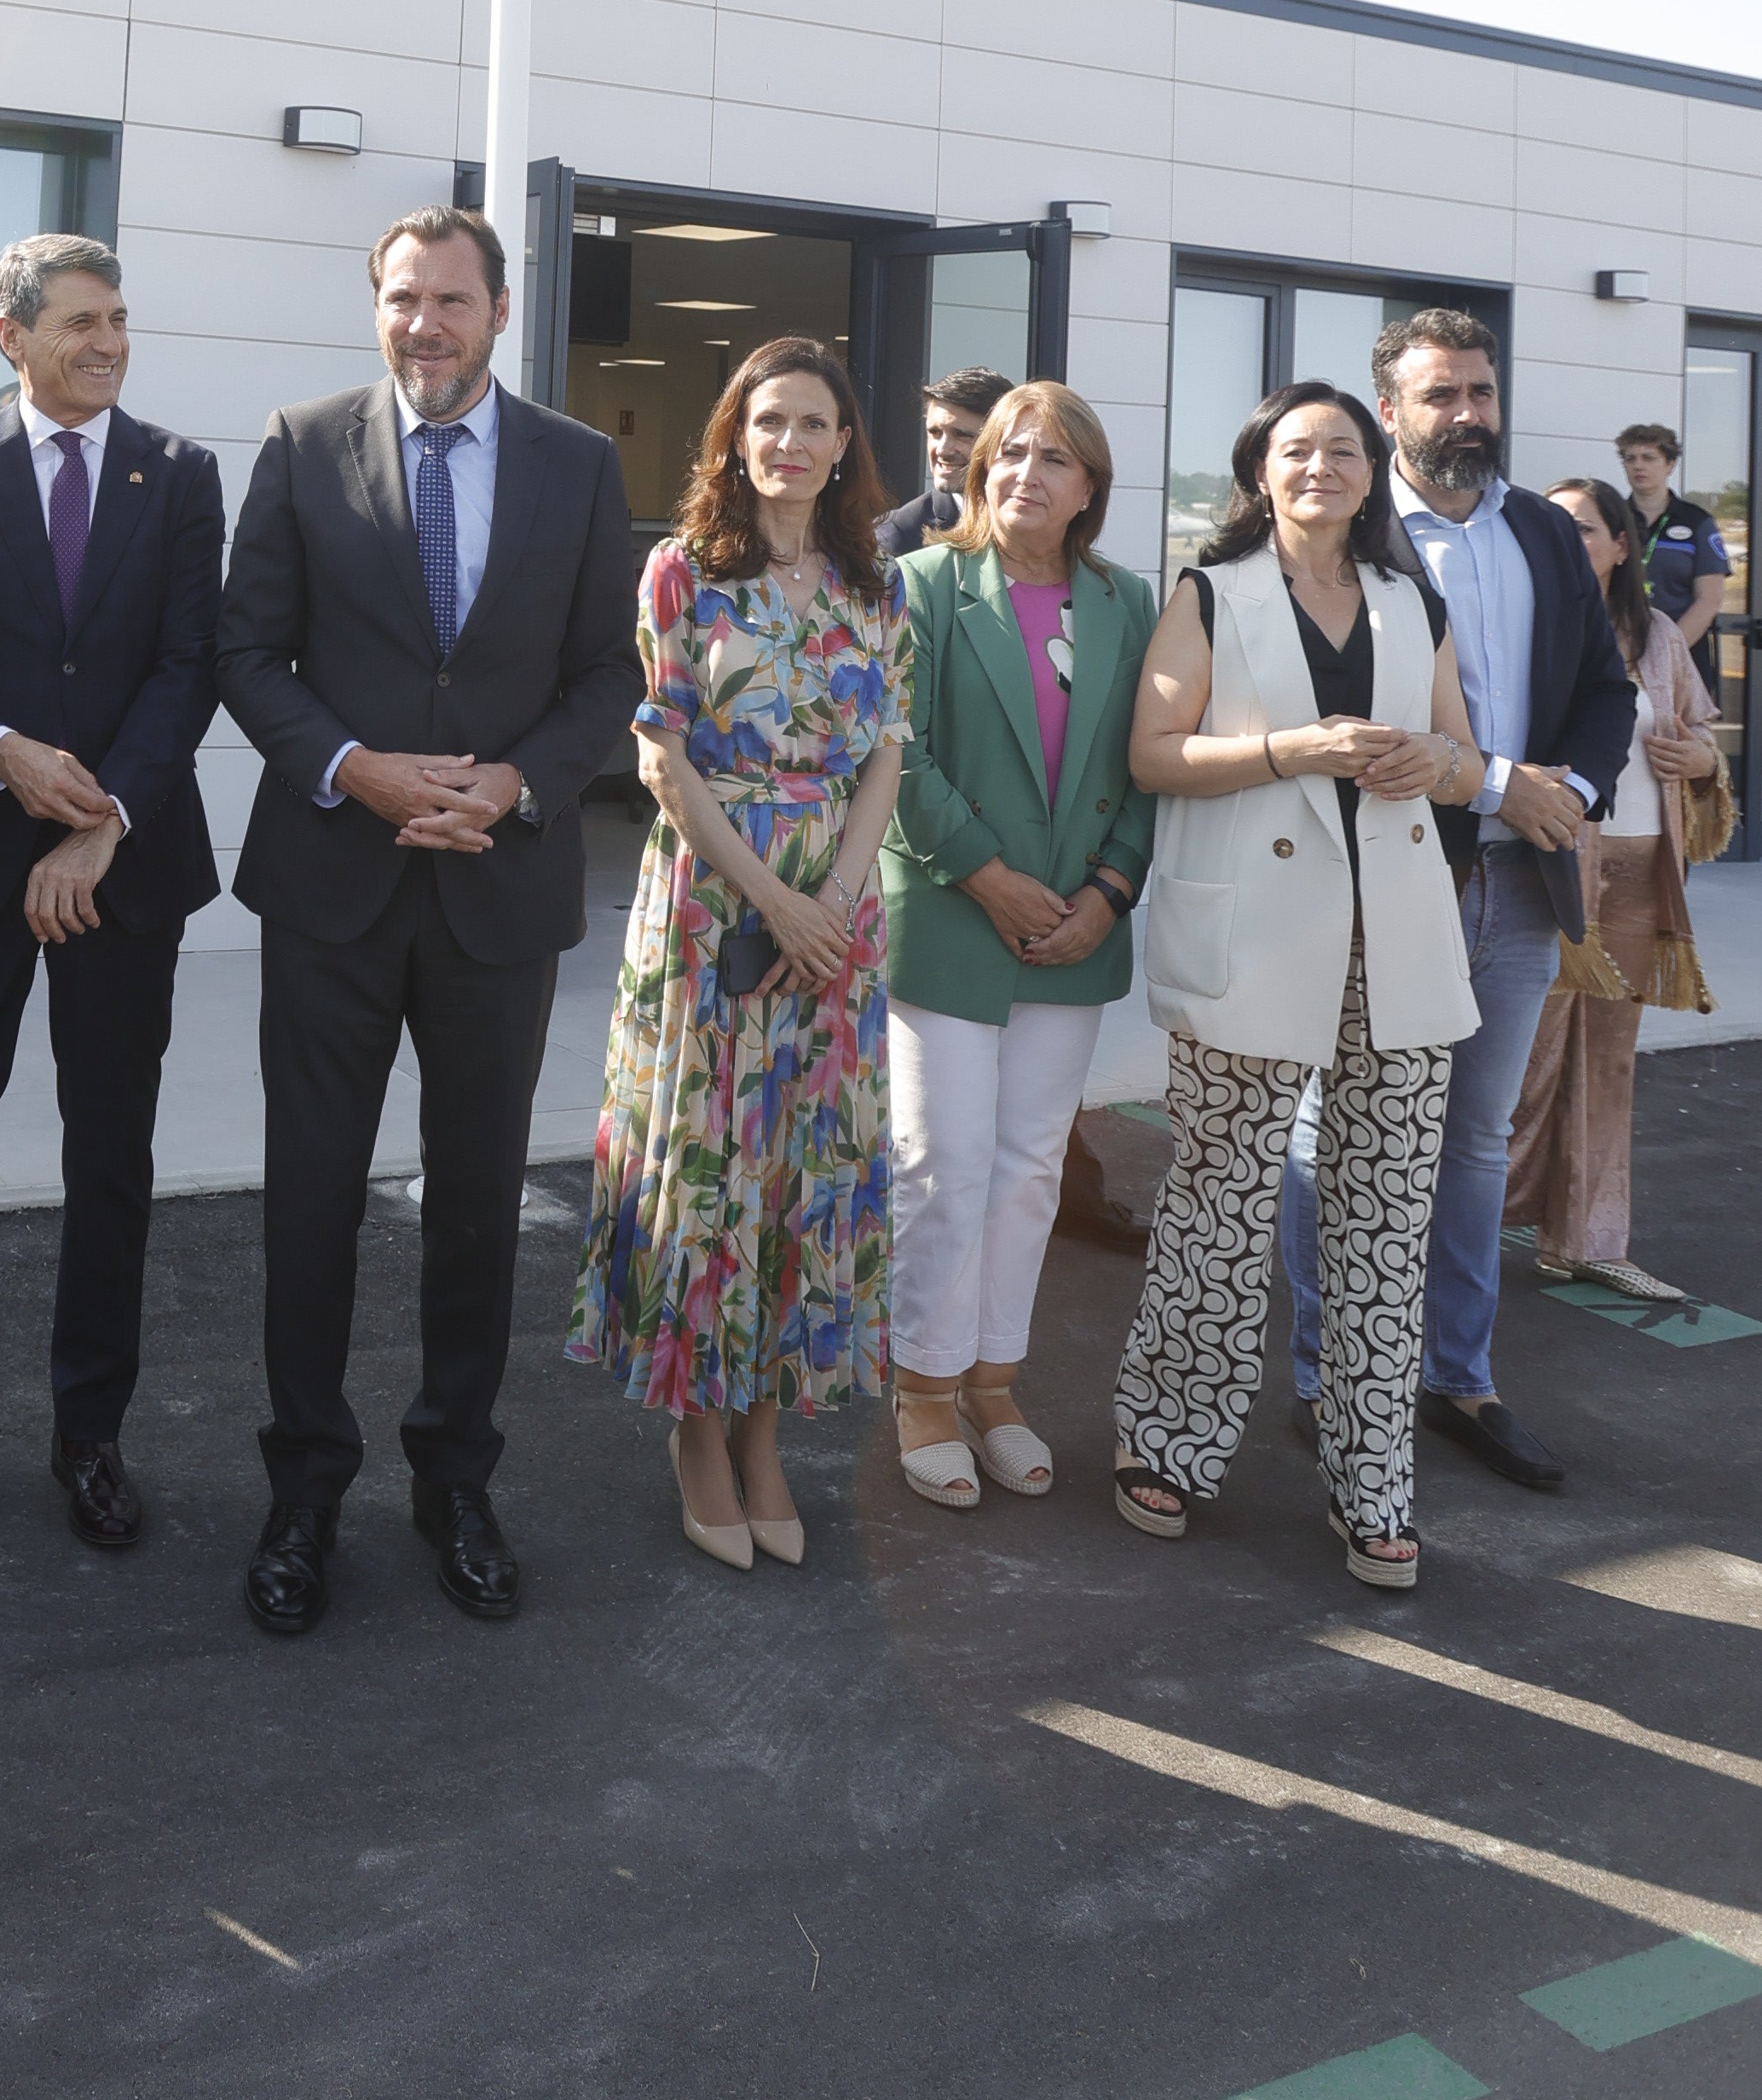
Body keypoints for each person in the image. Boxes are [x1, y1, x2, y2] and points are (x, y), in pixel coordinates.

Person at [215, 205, 630, 1636]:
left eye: (452, 300)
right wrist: (355, 770)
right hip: (335, 880)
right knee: (314, 1201)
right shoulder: (301, 440)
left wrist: (517, 786)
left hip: (496, 891)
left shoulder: (579, 467)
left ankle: (457, 1477)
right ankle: (305, 1485)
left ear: (499, 313)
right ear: (376, 306)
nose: (426, 324)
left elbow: (603, 678)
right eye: (403, 298)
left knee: (475, 1209)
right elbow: (244, 650)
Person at [0, 234, 223, 1551]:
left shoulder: (180, 474)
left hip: (120, 876)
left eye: (119, 319)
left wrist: (105, 822)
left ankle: (91, 1432)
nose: (109, 343)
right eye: (80, 322)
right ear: (9, 332)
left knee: (108, 1155)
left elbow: (189, 665)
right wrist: (1, 755)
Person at [1118, 383, 1481, 1586]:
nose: (1320, 465)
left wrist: (1437, 761)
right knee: (1219, 1198)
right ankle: (1169, 1439)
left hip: (1398, 939)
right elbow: (1154, 754)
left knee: (1385, 1221)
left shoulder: (1405, 598)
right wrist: (1291, 749)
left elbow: (1461, 759)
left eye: (1342, 449)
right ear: (1259, 473)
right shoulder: (1210, 594)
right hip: (1258, 940)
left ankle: (1375, 1482)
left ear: (1373, 473)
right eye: (1295, 450)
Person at [1279, 310, 1637, 1495]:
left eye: (1481, 391)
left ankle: (1457, 1377)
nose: (1468, 414)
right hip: (1386, 881)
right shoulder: (1350, 537)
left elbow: (1603, 688)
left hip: (1522, 889)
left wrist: (1568, 794)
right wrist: (1496, 781)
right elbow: (1351, 719)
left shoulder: (1540, 528)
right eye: (1441, 396)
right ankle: (1327, 1378)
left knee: (1473, 1147)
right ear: (1390, 412)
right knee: (1339, 1141)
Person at [569, 336, 906, 1569]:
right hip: (717, 902)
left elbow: (884, 755)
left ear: (845, 447)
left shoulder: (881, 586)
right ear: (735, 436)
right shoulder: (683, 573)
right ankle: (699, 1435)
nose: (792, 444)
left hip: (837, 916)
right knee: (719, 1165)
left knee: (804, 1175)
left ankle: (765, 1433)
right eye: (770, 422)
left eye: (816, 423)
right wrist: (775, 897)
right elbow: (662, 759)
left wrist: (837, 905)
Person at [877, 381, 1157, 1507]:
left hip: (1072, 934)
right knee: (943, 1163)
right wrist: (990, 879)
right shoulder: (925, 586)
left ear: (1090, 485)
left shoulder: (1127, 603)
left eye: (1053, 459)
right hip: (951, 917)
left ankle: (995, 1381)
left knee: (1033, 1170)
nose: (1024, 475)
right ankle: (925, 1385)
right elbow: (895, 753)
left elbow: (1148, 764)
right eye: (1008, 454)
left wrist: (1109, 890)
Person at [1503, 477, 1722, 1296]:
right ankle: (1452, 1227)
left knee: (1608, 1062)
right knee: (1519, 1062)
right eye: (1554, 526)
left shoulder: (1660, 633)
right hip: (1553, 869)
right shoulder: (1529, 623)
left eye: (1585, 529)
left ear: (1622, 545)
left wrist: (1701, 761)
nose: (1567, 539)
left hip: (1639, 869)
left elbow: (1701, 732)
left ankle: (1589, 1241)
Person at [1615, 422, 1734, 667]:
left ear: (1670, 465)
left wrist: (1667, 650)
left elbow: (1709, 599)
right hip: (1620, 652)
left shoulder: (1697, 522)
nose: (1638, 465)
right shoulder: (1612, 519)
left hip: (1680, 653)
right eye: (1630, 459)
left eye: (1649, 458)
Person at [877, 365, 1013, 564]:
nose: (942, 450)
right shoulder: (898, 535)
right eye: (935, 433)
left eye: (962, 435)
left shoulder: (1037, 519)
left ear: (1006, 439)